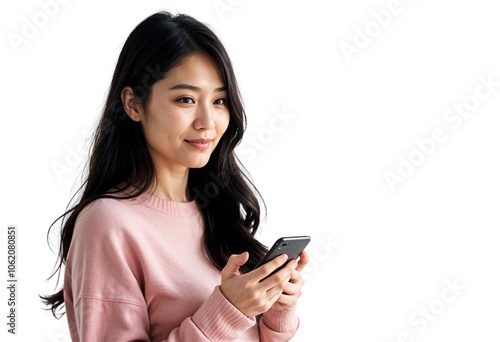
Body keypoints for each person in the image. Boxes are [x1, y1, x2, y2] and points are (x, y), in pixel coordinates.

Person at [41, 11, 309, 341]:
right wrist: (227, 312)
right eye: (186, 99)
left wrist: (277, 311)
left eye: (219, 100)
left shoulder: (216, 209)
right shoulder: (107, 224)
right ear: (133, 104)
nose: (207, 121)